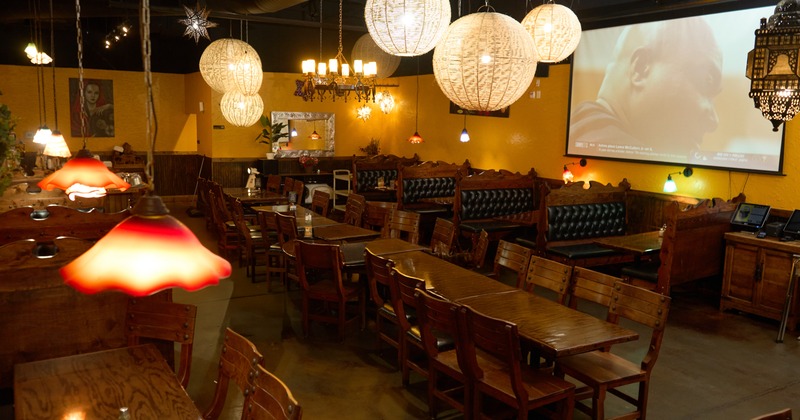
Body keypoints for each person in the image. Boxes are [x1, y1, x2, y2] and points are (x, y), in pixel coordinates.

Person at [568, 18, 722, 161]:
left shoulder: (583, 139)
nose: (714, 121)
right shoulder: (607, 155)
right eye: (706, 82)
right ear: (641, 68)